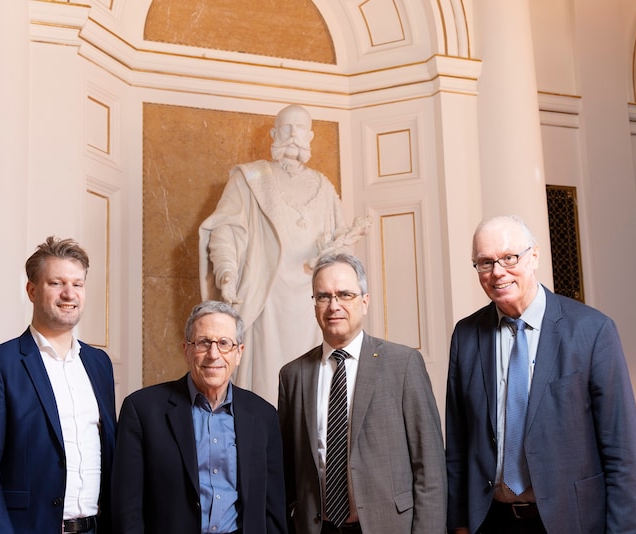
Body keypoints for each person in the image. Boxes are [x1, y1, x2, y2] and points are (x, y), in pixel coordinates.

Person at [445, 214, 636, 533]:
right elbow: (457, 445)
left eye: (509, 257)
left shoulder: (592, 331)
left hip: (569, 520)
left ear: (534, 255)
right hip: (489, 521)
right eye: (485, 263)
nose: (498, 272)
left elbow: (621, 454)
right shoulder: (466, 335)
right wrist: (457, 524)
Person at [199, 104, 369, 406]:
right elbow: (226, 230)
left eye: (300, 128)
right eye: (286, 128)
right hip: (266, 300)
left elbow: (343, 252)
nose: (293, 136)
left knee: (311, 392)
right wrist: (228, 274)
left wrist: (337, 249)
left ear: (311, 136)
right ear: (274, 134)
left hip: (313, 305)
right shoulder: (250, 178)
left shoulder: (325, 188)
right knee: (265, 388)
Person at [278, 252, 447, 534]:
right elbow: (287, 469)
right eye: (323, 296)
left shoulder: (403, 364)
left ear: (364, 302)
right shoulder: (293, 376)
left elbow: (429, 468)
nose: (334, 306)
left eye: (345, 295)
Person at [0, 236, 116, 533]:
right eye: (56, 283)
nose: (69, 294)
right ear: (32, 290)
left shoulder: (99, 364)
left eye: (78, 284)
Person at [112, 300, 288, 533]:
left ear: (238, 353)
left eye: (224, 343)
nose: (213, 354)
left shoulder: (264, 416)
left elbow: (274, 509)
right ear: (187, 349)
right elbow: (127, 509)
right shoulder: (142, 410)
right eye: (204, 343)